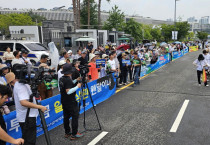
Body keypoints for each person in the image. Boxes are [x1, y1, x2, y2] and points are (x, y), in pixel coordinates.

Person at [5, 72, 47, 145]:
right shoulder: (20, 86)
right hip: (27, 118)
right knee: (30, 141)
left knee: (27, 139)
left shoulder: (20, 85)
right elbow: (23, 102)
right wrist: (40, 106)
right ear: (13, 80)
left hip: (26, 116)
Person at [59, 63, 83, 140]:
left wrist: (76, 80)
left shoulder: (62, 78)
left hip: (64, 100)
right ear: (70, 72)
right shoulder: (68, 80)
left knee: (66, 116)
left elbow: (67, 84)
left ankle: (67, 132)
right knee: (75, 116)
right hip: (70, 101)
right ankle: (74, 133)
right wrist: (77, 86)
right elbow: (68, 91)